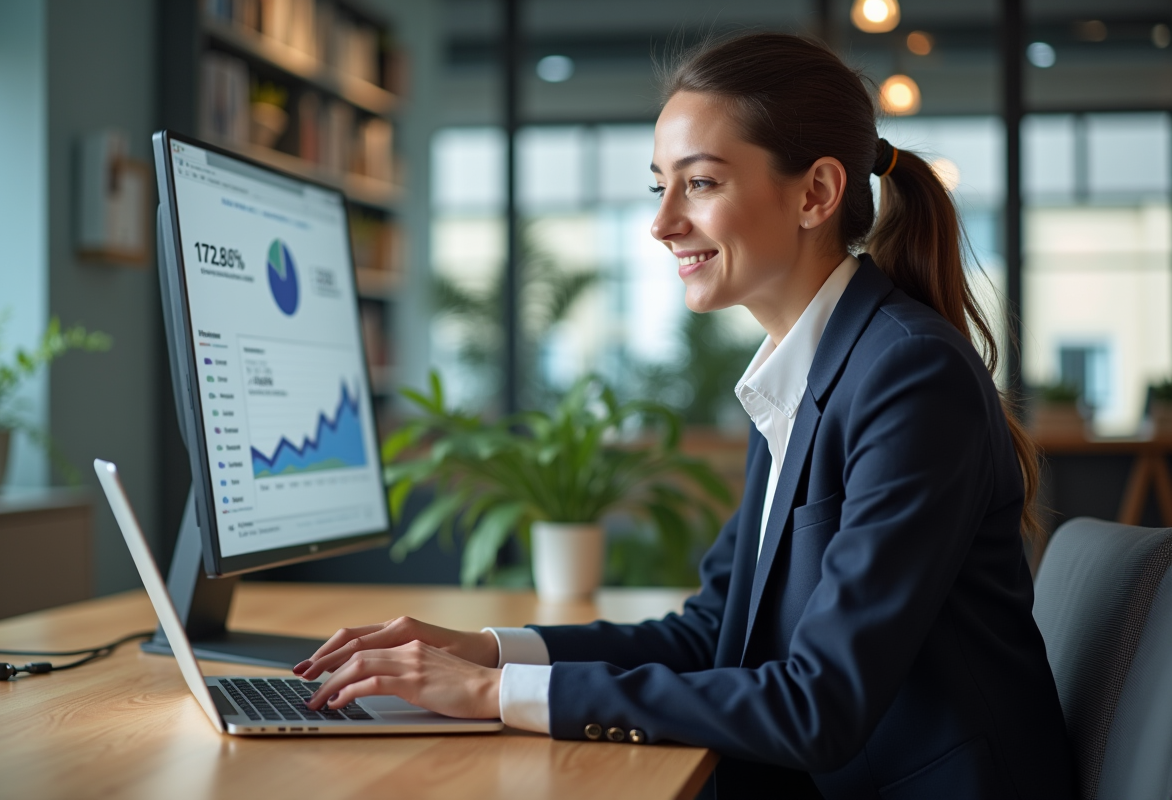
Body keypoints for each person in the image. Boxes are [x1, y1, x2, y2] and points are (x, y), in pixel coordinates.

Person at [296, 33, 1075, 800]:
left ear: (816, 193)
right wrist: (489, 654)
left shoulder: (908, 374)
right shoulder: (806, 372)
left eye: (699, 184)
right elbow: (712, 637)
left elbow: (818, 708)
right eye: (658, 185)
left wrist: (491, 696)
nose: (663, 223)